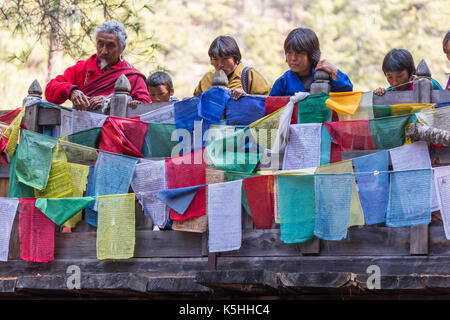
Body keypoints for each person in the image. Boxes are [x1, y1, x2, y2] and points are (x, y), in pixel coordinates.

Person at [45, 20, 151, 111]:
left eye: (110, 46)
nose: (104, 51)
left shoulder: (132, 76)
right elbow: (50, 92)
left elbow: (145, 107)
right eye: (100, 44)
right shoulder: (82, 69)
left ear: (122, 48)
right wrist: (71, 91)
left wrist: (110, 101)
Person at [269, 27, 353, 96]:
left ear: (311, 54)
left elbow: (347, 93)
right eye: (289, 53)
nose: (293, 58)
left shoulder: (327, 76)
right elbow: (271, 110)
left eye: (299, 53)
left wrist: (334, 71)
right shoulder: (283, 83)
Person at [193, 35, 271, 99]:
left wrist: (246, 97)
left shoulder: (249, 75)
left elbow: (267, 102)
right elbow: (196, 103)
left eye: (225, 59)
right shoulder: (207, 78)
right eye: (215, 59)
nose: (220, 64)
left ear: (236, 58)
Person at [374, 48, 442, 96]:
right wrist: (378, 95)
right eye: (390, 77)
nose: (395, 83)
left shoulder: (431, 84)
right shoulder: (388, 93)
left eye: (400, 76)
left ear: (411, 72)